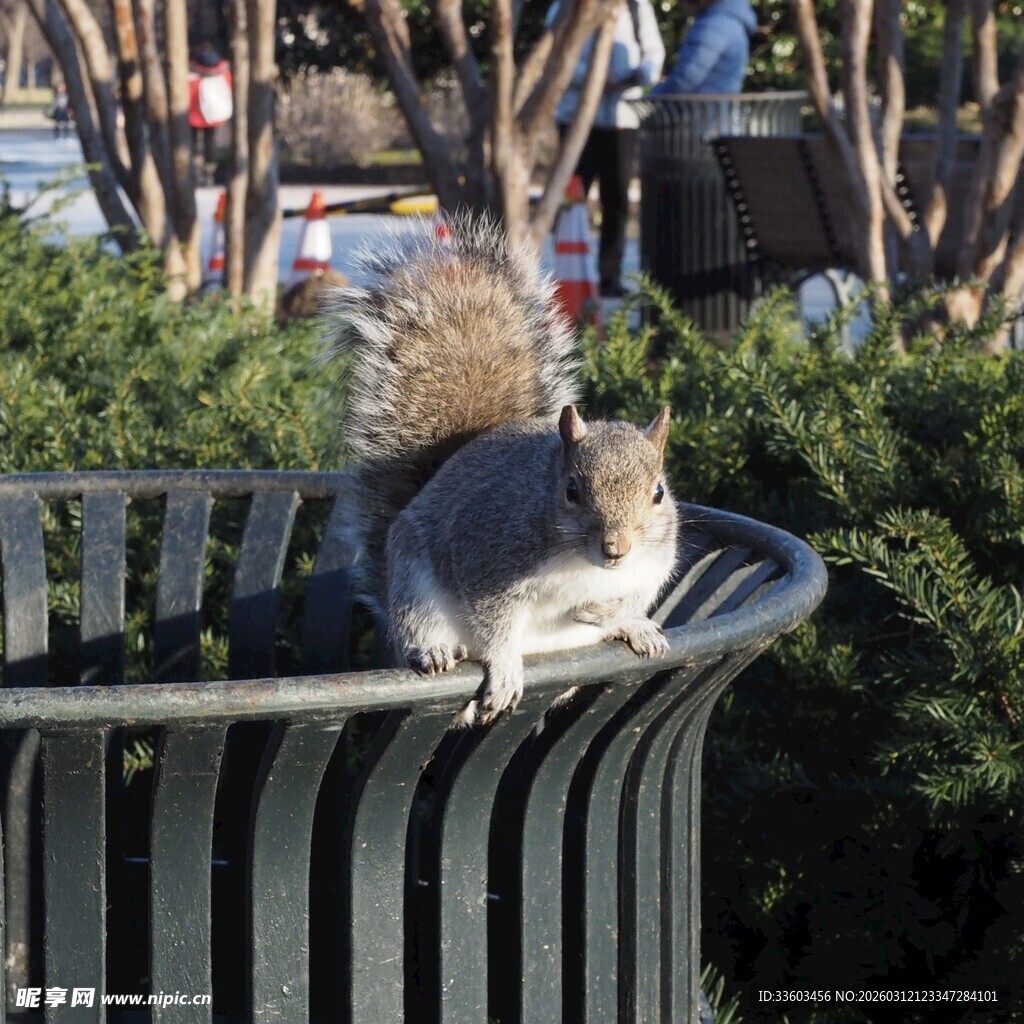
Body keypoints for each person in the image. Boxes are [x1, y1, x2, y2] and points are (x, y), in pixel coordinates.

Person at [548, 0, 665, 298]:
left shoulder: (638, 8)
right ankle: (566, 274)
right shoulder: (567, 5)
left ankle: (609, 277)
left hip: (621, 118)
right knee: (572, 197)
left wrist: (640, 74)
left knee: (617, 199)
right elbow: (556, 50)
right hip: (577, 117)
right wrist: (594, 78)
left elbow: (654, 52)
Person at [650, 0, 756, 96]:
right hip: (718, 112)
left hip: (700, 113)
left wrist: (648, 101)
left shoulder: (714, 25)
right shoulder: (731, 20)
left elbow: (686, 79)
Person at [188, 41, 233, 185]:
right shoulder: (223, 70)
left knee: (192, 142)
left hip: (193, 114)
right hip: (214, 114)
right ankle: (209, 172)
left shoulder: (191, 74)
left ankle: (195, 170)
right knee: (210, 142)